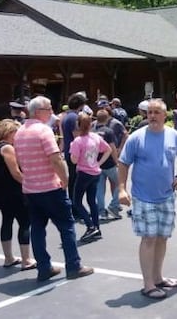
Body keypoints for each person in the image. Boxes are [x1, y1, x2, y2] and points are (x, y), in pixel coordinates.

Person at [14, 96, 94, 281]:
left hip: (30, 188)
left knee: (37, 229)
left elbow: (20, 161)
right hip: (50, 187)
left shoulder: (19, 133)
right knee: (67, 226)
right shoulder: (43, 131)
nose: (52, 111)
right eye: (48, 108)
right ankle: (73, 266)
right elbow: (55, 158)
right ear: (38, 111)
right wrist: (64, 179)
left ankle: (44, 268)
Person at [117, 98, 177, 299]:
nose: (152, 116)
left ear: (164, 115)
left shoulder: (175, 136)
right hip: (143, 198)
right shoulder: (137, 137)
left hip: (167, 197)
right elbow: (123, 163)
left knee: (162, 238)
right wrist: (122, 189)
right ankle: (148, 284)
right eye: (149, 112)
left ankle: (158, 277)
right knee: (149, 239)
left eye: (156, 112)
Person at [0, 119, 37, 270]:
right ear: (10, 132)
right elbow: (15, 173)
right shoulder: (8, 148)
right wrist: (30, 184)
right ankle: (26, 259)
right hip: (13, 190)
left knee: (7, 221)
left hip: (1, 189)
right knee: (24, 222)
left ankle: (8, 257)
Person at [70, 112, 112, 242]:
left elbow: (74, 160)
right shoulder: (95, 137)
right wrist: (99, 163)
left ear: (78, 125)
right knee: (91, 201)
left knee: (76, 201)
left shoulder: (77, 141)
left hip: (84, 173)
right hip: (95, 171)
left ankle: (90, 225)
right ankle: (96, 227)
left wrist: (71, 151)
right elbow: (108, 149)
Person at [93, 108, 122, 220]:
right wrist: (116, 161)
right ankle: (113, 205)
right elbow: (112, 148)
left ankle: (101, 212)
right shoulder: (109, 131)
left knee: (100, 188)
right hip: (109, 162)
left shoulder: (92, 132)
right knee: (120, 184)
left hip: (97, 163)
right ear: (107, 118)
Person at [61, 92, 86, 216]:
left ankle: (73, 205)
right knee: (76, 181)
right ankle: (76, 207)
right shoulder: (75, 118)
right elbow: (77, 135)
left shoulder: (66, 116)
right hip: (75, 152)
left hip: (68, 151)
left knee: (73, 180)